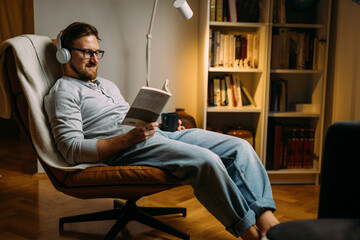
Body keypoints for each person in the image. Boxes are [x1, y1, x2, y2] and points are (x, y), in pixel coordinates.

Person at [44, 22, 279, 240]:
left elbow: (125, 121)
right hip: (125, 149)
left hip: (149, 136)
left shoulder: (106, 84)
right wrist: (128, 139)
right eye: (86, 53)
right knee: (206, 161)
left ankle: (267, 220)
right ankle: (249, 233)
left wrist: (155, 125)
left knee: (239, 147)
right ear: (64, 54)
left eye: (97, 52)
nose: (94, 59)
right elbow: (71, 150)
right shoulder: (62, 93)